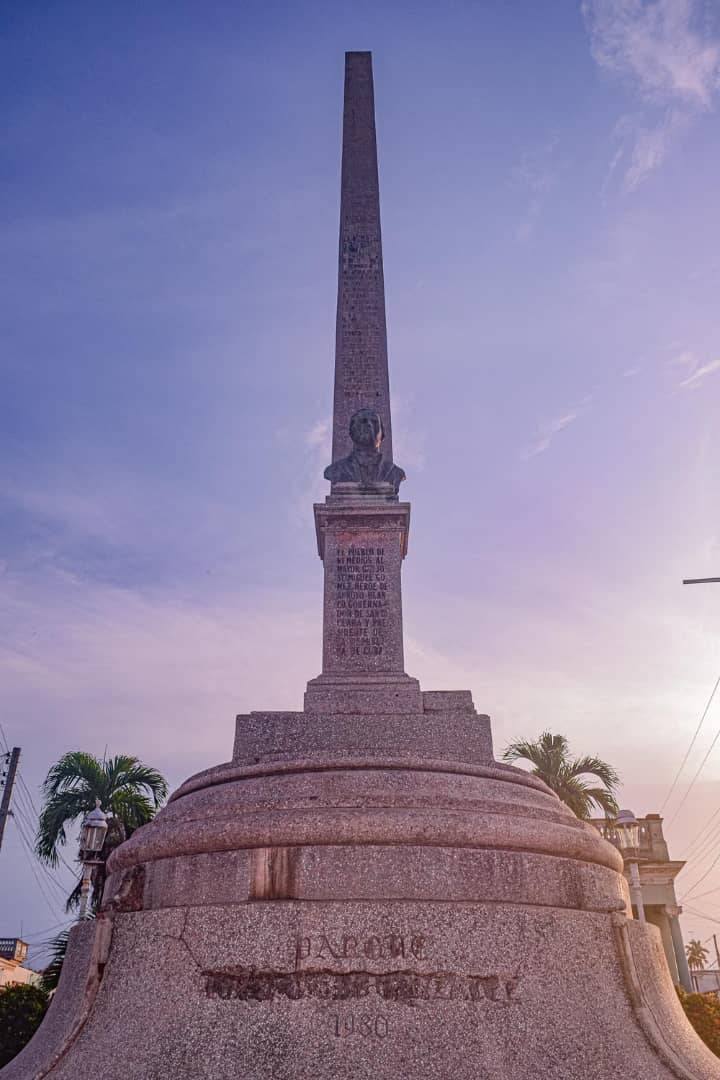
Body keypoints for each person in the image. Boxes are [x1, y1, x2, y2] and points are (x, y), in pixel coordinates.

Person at [324, 408, 406, 494]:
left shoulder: (394, 472)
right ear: (351, 432)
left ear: (382, 434)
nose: (368, 424)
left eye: (374, 422)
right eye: (362, 421)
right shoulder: (337, 469)